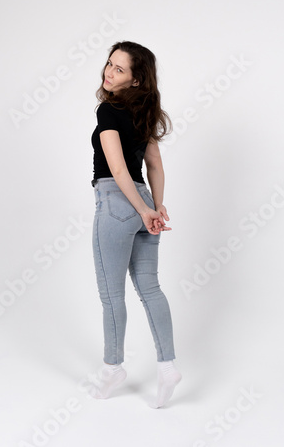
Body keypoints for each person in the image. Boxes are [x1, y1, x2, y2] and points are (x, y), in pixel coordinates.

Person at [90, 41, 182, 408]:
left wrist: (144, 211)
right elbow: (155, 166)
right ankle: (168, 367)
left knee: (112, 295)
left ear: (134, 80)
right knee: (150, 288)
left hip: (117, 201)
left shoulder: (108, 110)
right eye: (109, 65)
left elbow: (116, 167)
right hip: (143, 200)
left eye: (119, 69)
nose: (109, 73)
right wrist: (154, 207)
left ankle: (113, 368)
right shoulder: (145, 112)